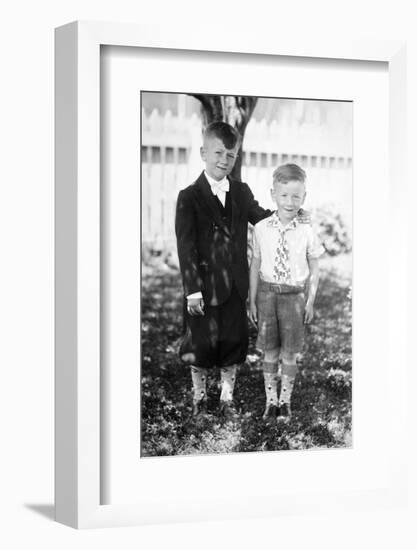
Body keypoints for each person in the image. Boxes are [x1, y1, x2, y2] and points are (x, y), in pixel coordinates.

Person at [175, 123, 308, 421]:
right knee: (201, 343)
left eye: (231, 155)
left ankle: (227, 397)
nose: (224, 160)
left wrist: (291, 214)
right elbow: (186, 247)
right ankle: (199, 398)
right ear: (203, 153)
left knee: (232, 341)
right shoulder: (189, 196)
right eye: (218, 152)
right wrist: (192, 290)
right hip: (204, 287)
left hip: (236, 284)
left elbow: (261, 219)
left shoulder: (241, 191)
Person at [249, 163, 324, 422]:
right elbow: (256, 263)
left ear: (304, 197)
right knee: (269, 351)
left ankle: (285, 402)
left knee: (289, 352)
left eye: (296, 196)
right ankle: (271, 402)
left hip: (294, 296)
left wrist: (310, 300)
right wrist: (252, 299)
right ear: (273, 194)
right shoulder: (261, 228)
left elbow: (315, 264)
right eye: (284, 195)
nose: (289, 202)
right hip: (267, 295)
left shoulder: (307, 230)